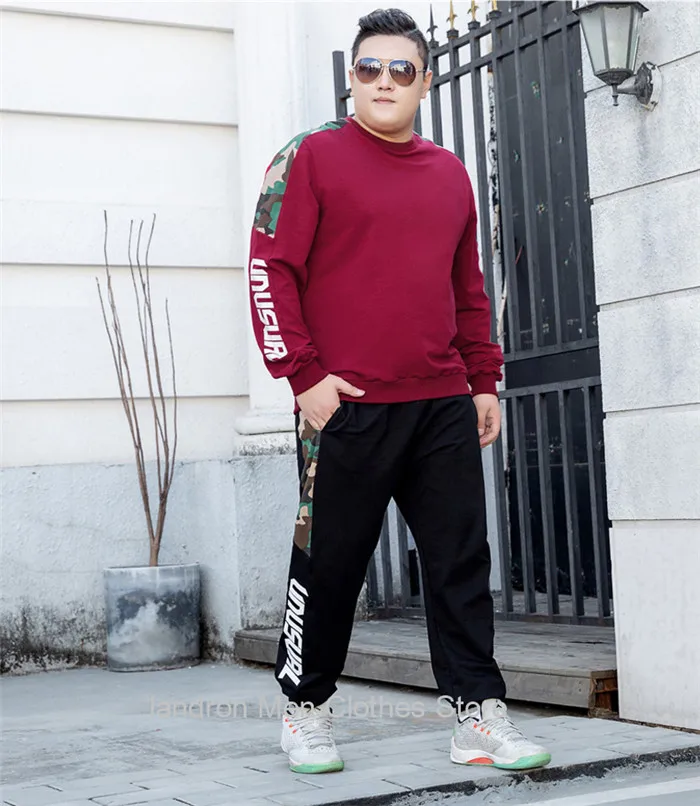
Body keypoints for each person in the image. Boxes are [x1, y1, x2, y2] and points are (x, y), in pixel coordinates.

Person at [247, 7, 551, 776]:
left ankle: (477, 716)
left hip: (442, 402)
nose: (384, 81)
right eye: (369, 68)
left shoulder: (449, 173)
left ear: (425, 81)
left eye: (401, 69)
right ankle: (305, 710)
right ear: (353, 78)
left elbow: (467, 288)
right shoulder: (308, 157)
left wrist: (483, 380)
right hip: (345, 406)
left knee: (460, 565)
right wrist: (303, 378)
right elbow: (268, 271)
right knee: (329, 566)